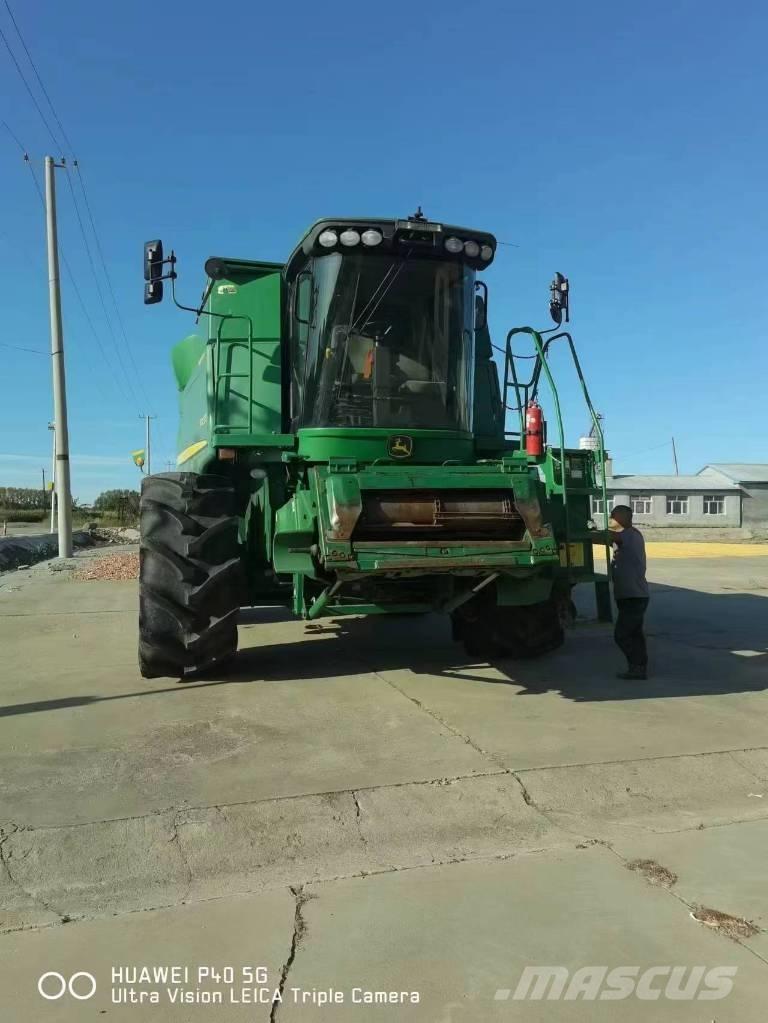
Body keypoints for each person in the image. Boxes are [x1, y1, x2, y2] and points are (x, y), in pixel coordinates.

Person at [591, 504, 650, 679]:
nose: (611, 518)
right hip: (630, 595)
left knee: (622, 635)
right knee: (635, 634)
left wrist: (583, 531)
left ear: (624, 518)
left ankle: (637, 666)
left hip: (634, 596)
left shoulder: (631, 535)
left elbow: (607, 536)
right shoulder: (622, 538)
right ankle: (639, 668)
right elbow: (607, 538)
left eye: (613, 515)